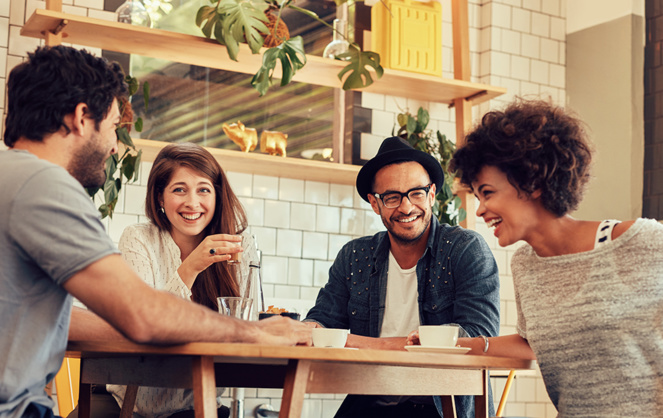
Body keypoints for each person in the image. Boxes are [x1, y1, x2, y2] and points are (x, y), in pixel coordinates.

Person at [0, 45, 310, 418]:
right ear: (82, 117)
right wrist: (256, 333)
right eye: (114, 126)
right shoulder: (44, 186)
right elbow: (142, 313)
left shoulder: (11, 177)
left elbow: (63, 319)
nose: (115, 146)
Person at [446, 98, 663, 416]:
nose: (479, 209)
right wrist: (456, 344)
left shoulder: (639, 243)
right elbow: (531, 341)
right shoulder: (525, 264)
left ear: (532, 181)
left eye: (488, 193)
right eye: (477, 196)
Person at [304, 136, 500, 418]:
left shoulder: (465, 249)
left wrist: (356, 342)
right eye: (392, 197)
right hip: (369, 401)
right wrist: (302, 328)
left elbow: (479, 335)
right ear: (375, 203)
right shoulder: (354, 256)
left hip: (441, 405)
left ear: (432, 194)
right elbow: (321, 321)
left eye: (417, 193)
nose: (407, 208)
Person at [104, 143, 259, 418]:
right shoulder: (139, 239)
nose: (192, 202)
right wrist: (191, 267)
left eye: (203, 189)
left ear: (217, 196)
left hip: (201, 404)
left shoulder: (237, 245)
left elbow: (249, 326)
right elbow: (145, 324)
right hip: (135, 403)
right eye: (179, 190)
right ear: (160, 198)